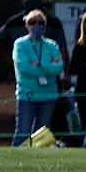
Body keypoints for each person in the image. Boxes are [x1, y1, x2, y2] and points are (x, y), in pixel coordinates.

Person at [13, 11, 66, 146]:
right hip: (27, 96)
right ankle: (15, 161)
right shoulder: (20, 44)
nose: (36, 25)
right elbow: (23, 67)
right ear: (26, 25)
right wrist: (49, 67)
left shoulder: (52, 45)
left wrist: (40, 65)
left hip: (48, 96)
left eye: (40, 22)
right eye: (32, 22)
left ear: (45, 26)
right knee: (23, 132)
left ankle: (37, 163)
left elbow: (59, 67)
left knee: (42, 134)